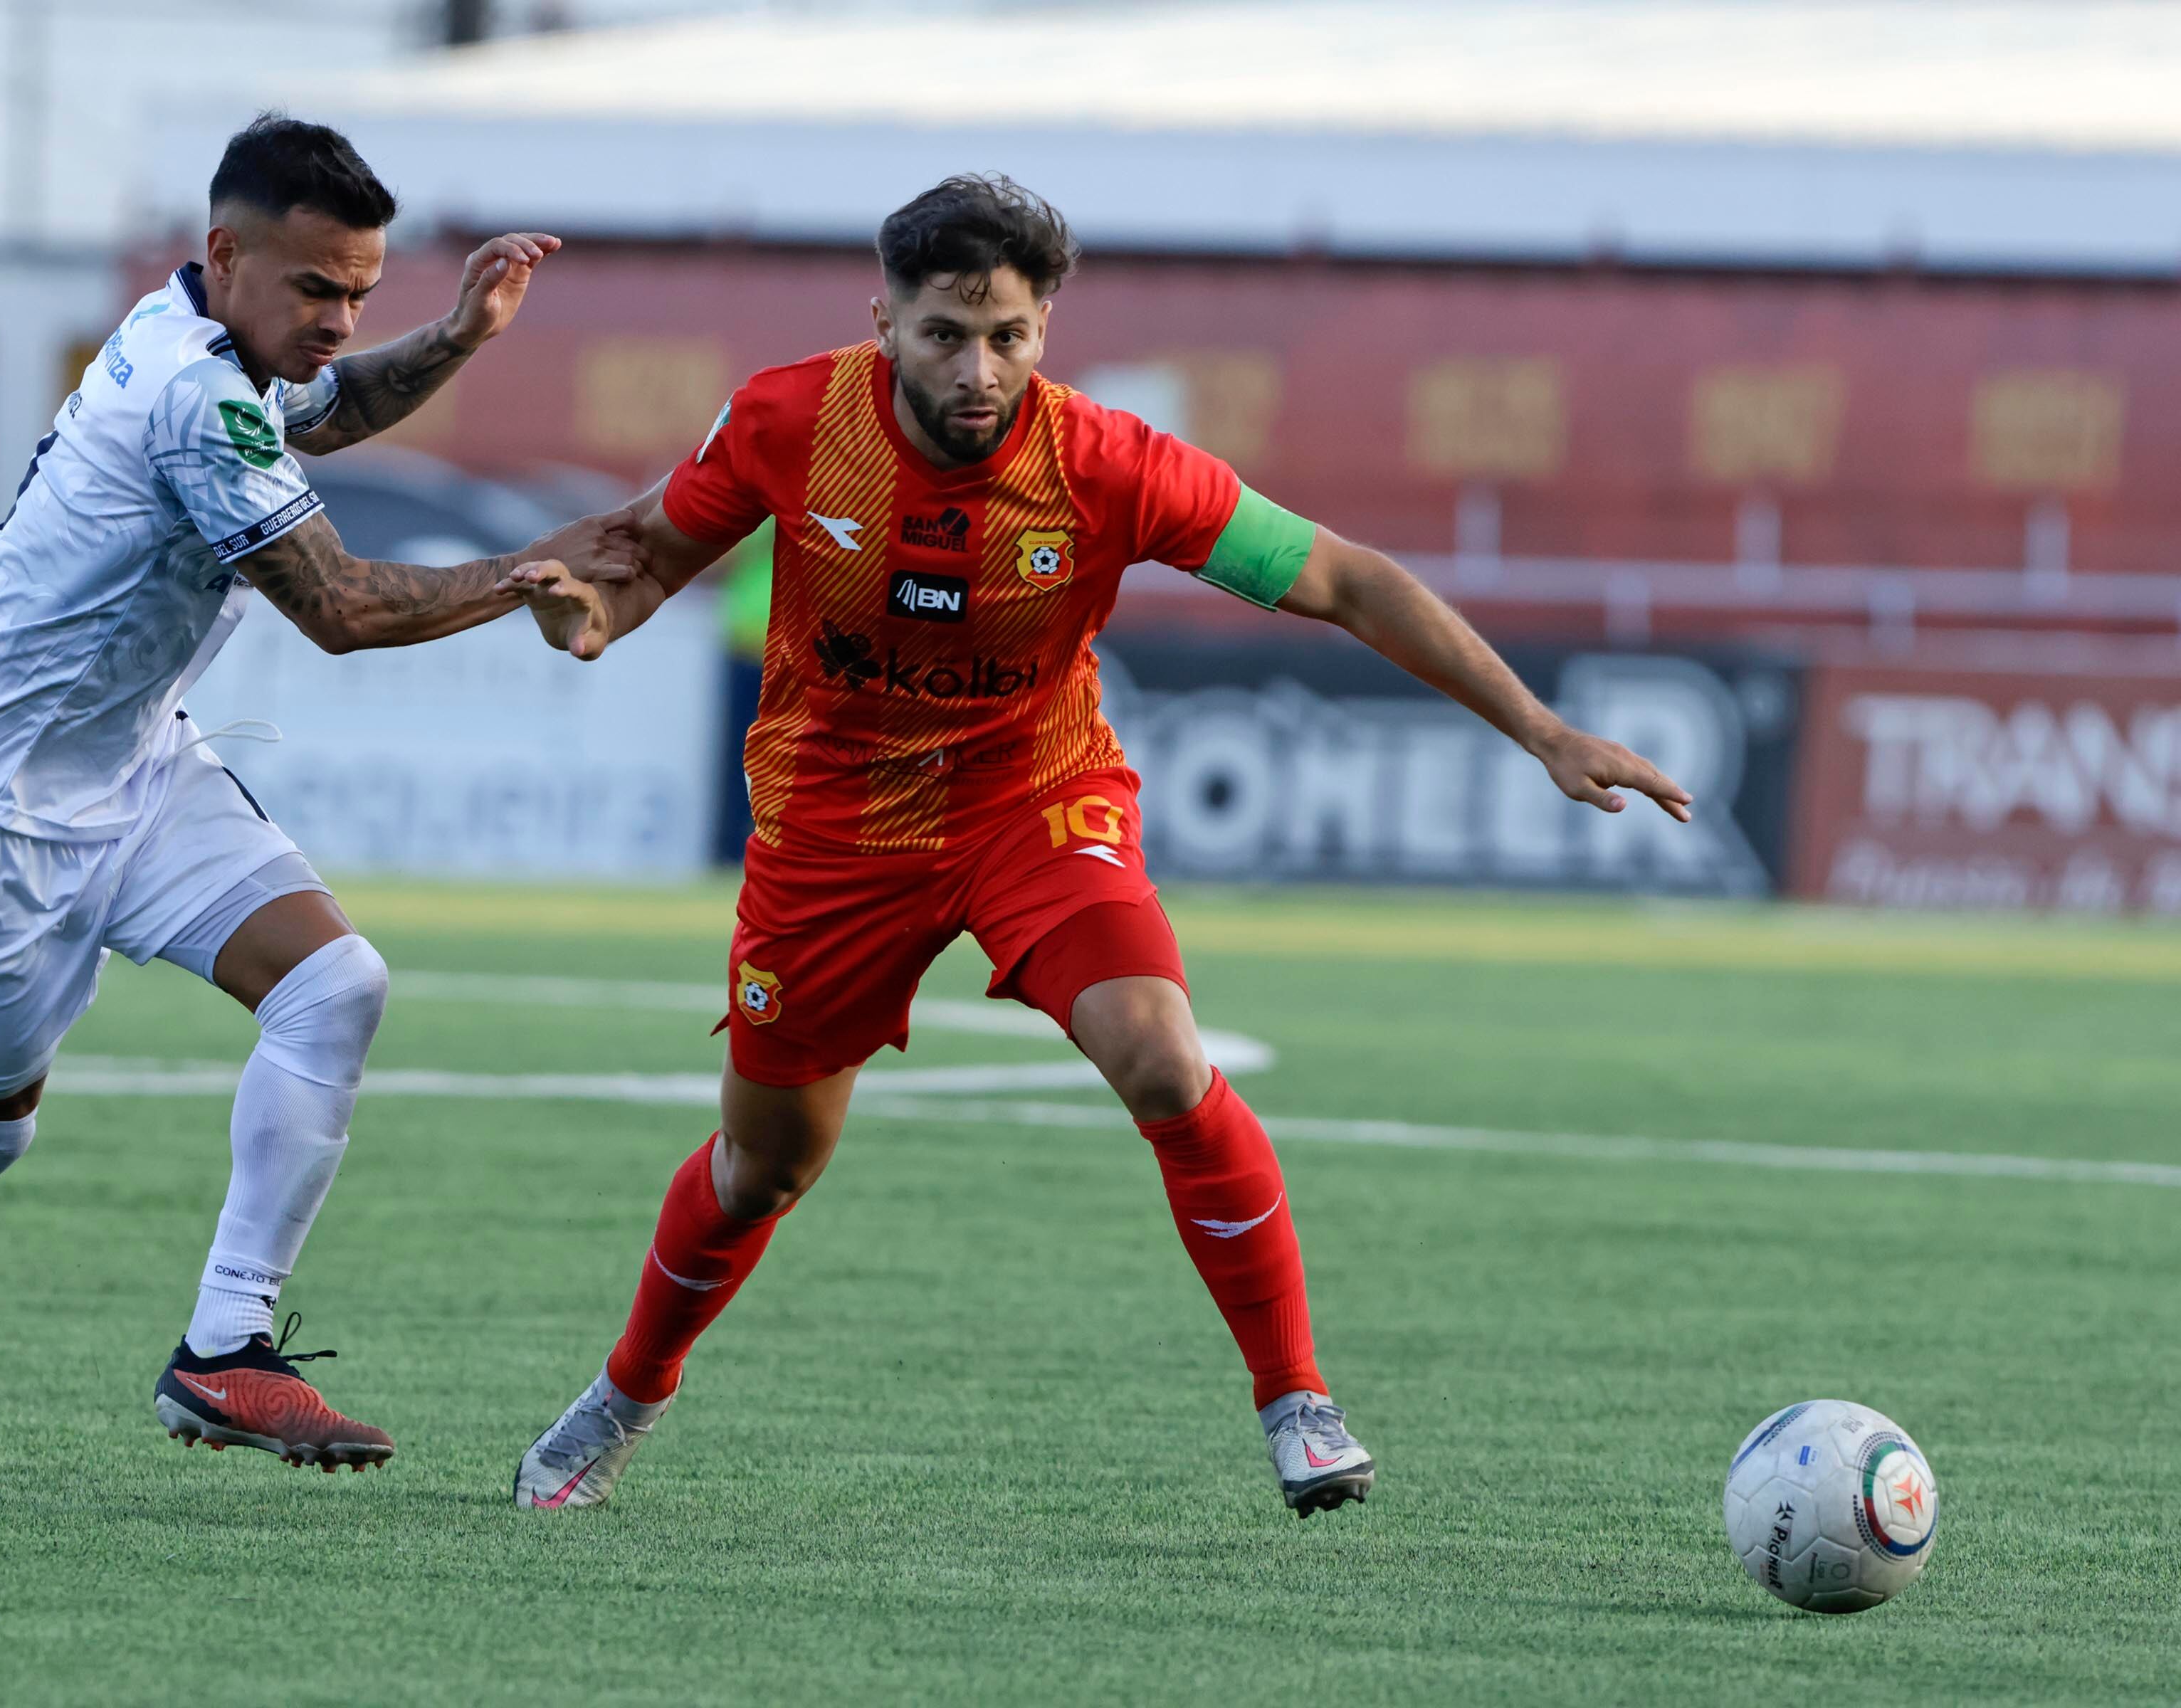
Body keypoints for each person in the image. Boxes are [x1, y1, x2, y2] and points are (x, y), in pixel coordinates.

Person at [499, 174, 1691, 1516]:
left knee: (1163, 1061)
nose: (978, 367)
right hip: (835, 830)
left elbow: (1347, 580)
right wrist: (586, 622)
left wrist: (1539, 730)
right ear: (882, 319)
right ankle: (625, 1393)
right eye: (947, 331)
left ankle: (1296, 1397)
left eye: (1009, 335)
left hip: (1032, 801)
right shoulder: (790, 418)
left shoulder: (1109, 465)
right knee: (763, 1165)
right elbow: (649, 556)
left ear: (1046, 328)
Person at [0, 113, 641, 1472]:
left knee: (336, 985)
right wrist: (522, 572)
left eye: (360, 291)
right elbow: (346, 610)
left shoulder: (211, 338)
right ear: (226, 254)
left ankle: (224, 1352)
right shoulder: (189, 393)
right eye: (318, 290)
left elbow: (330, 405)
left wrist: (460, 335)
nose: (339, 318)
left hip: (135, 763)